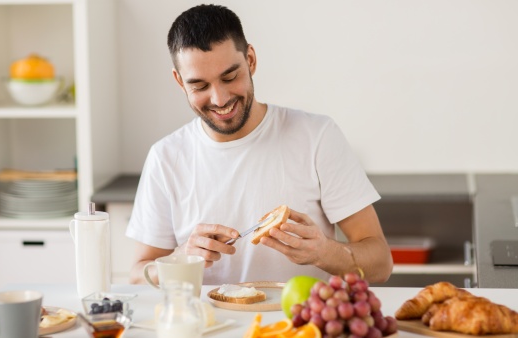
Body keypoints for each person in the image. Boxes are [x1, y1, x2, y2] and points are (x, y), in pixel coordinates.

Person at [126, 4, 393, 286]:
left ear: (250, 60)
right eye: (200, 86)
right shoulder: (166, 157)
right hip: (208, 328)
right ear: (180, 81)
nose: (219, 99)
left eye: (230, 77)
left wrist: (324, 252)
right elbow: (136, 275)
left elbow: (381, 263)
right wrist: (179, 260)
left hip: (300, 326)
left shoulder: (317, 136)